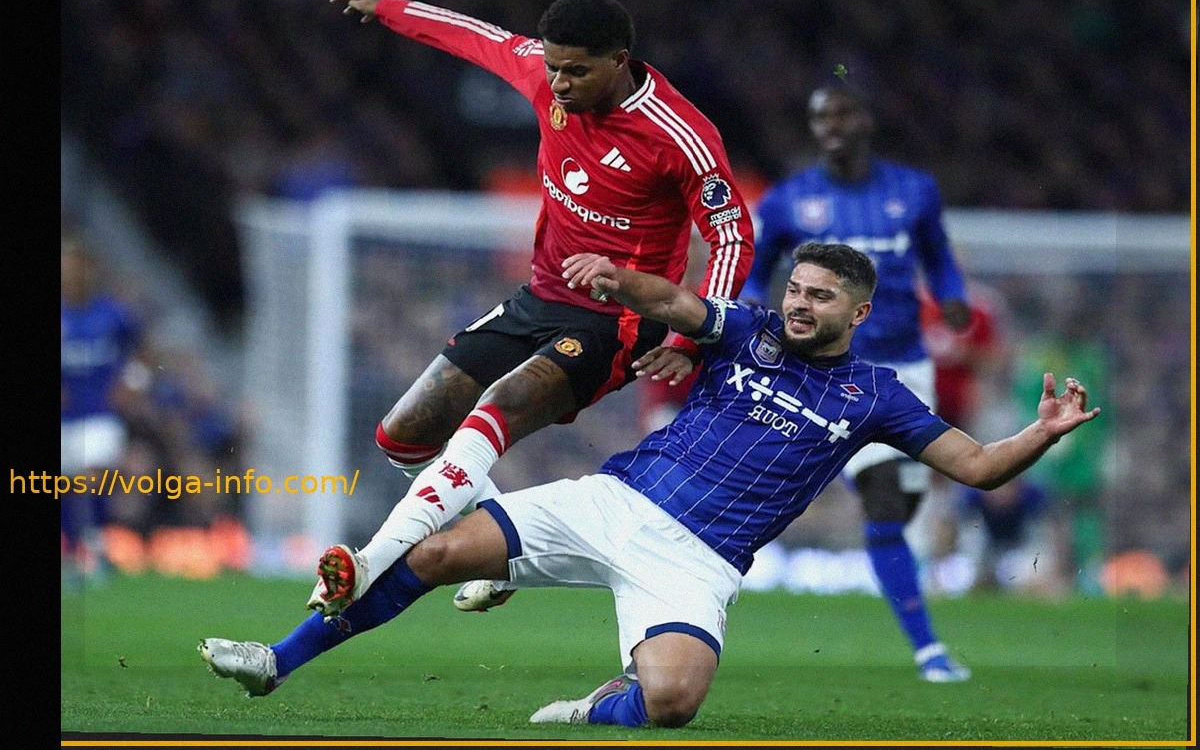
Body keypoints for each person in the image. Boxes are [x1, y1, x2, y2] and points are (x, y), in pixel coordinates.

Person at [200, 243, 1099, 728]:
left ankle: (601, 705)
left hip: (699, 561)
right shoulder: (747, 330)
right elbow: (675, 304)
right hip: (613, 502)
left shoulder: (877, 395)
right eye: (796, 289)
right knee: (433, 554)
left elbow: (977, 466)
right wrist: (618, 279)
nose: (800, 304)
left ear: (858, 312)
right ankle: (277, 661)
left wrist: (1041, 434)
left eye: (821, 297)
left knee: (671, 703)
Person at [307, 0, 755, 614]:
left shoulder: (679, 134)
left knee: (500, 405)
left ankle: (368, 563)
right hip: (541, 296)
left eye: (577, 71)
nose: (560, 84)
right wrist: (387, 6)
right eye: (553, 67)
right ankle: (505, 548)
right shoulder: (544, 77)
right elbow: (474, 36)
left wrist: (693, 336)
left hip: (621, 319)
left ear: (619, 61)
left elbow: (732, 236)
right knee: (404, 434)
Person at [738, 82, 974, 681]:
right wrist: (748, 311)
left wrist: (951, 296)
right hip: (835, 372)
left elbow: (938, 256)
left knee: (902, 506)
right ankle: (928, 649)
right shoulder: (789, 200)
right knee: (885, 494)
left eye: (842, 114)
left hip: (908, 365)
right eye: (821, 117)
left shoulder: (914, 191)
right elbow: (757, 269)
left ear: (865, 119)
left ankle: (913, 612)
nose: (832, 126)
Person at [60, 237, 144, 576]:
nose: (69, 275)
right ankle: (74, 553)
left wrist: (133, 382)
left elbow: (142, 351)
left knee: (92, 479)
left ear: (89, 270)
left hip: (100, 414)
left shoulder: (114, 315)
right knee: (66, 485)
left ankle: (94, 548)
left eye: (74, 267)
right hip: (65, 417)